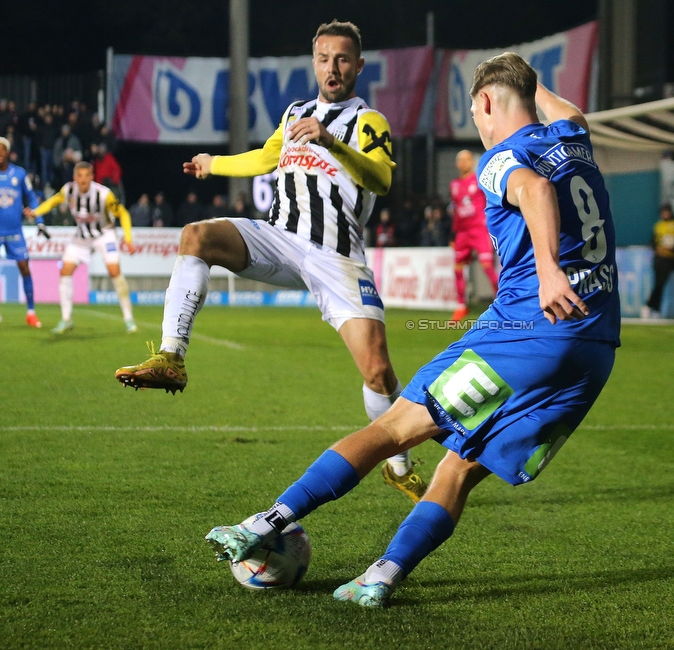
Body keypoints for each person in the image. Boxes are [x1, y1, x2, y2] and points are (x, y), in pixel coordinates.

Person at [204, 52, 620, 608]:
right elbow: (567, 113)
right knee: (460, 468)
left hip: (526, 331)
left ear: (489, 102)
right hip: (592, 354)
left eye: (476, 111)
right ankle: (382, 575)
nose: (478, 122)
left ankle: (263, 523)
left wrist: (547, 268)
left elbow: (536, 192)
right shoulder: (575, 141)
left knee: (393, 429)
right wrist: (522, 76)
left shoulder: (499, 160)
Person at [114, 19, 427, 502]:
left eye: (343, 59)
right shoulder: (296, 112)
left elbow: (381, 179)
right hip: (279, 237)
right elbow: (265, 157)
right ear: (315, 63)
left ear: (358, 66)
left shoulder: (368, 122)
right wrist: (213, 164)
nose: (333, 68)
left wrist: (330, 141)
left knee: (378, 371)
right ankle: (172, 357)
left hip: (335, 255)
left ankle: (398, 464)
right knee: (196, 236)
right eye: (324, 58)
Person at [31, 161, 138, 334]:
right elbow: (53, 201)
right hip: (81, 237)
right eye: (79, 176)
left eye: (86, 176)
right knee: (65, 270)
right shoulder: (69, 190)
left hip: (104, 235)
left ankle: (128, 318)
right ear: (74, 177)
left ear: (92, 177)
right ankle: (66, 319)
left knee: (114, 271)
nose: (82, 180)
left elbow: (123, 213)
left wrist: (128, 238)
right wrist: (36, 212)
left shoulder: (103, 195)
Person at [0, 137, 47, 327]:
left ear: (8, 153)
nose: (0, 153)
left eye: (3, 150)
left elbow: (32, 199)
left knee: (24, 267)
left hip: (14, 232)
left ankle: (31, 312)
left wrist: (39, 220)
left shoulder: (19, 174)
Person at [448, 150, 500, 321]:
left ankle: (501, 301)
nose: (464, 163)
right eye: (461, 160)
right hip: (462, 233)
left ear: (472, 162)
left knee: (487, 266)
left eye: (467, 159)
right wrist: (452, 235)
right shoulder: (454, 185)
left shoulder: (479, 181)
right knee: (457, 268)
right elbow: (456, 211)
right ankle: (461, 305)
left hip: (479, 229)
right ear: (456, 164)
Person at [642, 203, 674, 318]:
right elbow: (652, 242)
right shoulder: (658, 226)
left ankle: (651, 306)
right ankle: (653, 307)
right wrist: (657, 249)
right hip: (660, 258)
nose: (665, 214)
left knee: (662, 283)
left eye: (667, 211)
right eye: (664, 212)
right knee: (659, 283)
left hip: (672, 259)